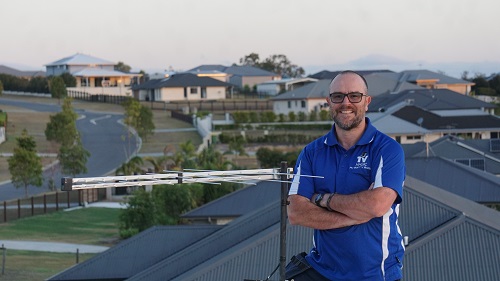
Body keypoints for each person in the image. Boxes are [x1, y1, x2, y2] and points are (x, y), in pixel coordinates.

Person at [287, 70, 405, 281]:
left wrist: (322, 199)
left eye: (354, 96)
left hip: (375, 274)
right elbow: (296, 213)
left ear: (367, 101)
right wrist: (355, 215)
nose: (346, 103)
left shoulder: (388, 150)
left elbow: (376, 206)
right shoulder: (312, 153)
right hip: (322, 271)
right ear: (329, 102)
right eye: (338, 96)